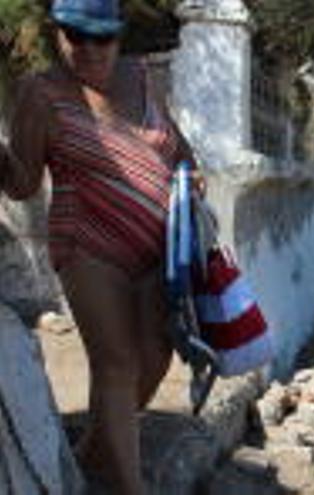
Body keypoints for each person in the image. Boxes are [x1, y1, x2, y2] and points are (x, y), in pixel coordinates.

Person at [0, 1, 201, 493]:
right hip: (86, 240)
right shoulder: (40, 93)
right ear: (57, 33)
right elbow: (25, 185)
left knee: (156, 356)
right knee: (116, 362)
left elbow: (176, 146)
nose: (88, 48)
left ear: (119, 35)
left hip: (157, 245)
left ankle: (93, 448)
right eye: (75, 34)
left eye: (101, 37)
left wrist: (192, 174)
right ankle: (131, 486)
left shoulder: (139, 76)